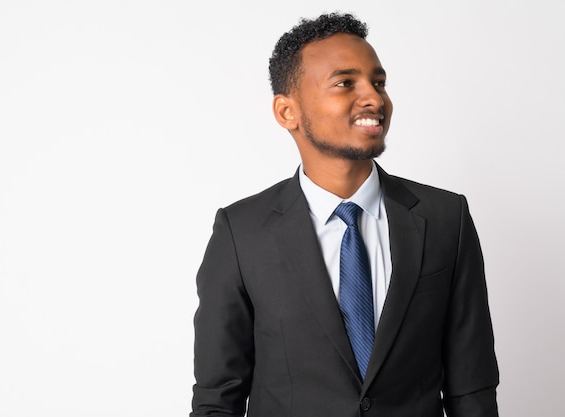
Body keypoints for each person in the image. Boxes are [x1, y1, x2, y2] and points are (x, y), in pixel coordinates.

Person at [190, 12, 499, 417]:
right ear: (287, 112)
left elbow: (472, 389)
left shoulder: (445, 218)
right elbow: (217, 400)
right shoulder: (241, 232)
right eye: (345, 83)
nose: (374, 98)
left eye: (379, 83)